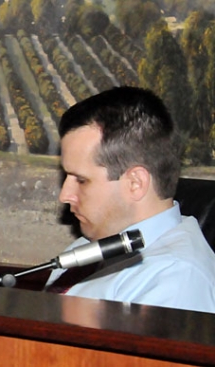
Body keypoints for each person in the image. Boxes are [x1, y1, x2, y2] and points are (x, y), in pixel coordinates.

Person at [45, 86, 215, 313]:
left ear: (135, 183)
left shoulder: (176, 279)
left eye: (81, 180)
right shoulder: (88, 246)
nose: (65, 195)